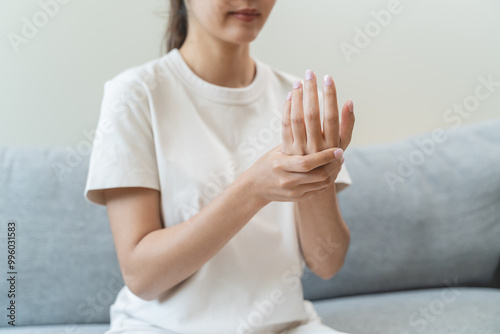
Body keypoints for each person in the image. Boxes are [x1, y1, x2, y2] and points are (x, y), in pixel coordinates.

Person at [83, 0, 355, 333]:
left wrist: (318, 177)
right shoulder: (136, 95)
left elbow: (327, 263)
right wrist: (253, 189)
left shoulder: (295, 100)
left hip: (286, 326)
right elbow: (142, 277)